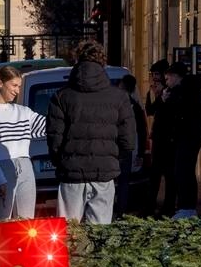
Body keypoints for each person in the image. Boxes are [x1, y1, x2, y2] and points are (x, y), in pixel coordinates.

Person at [45, 40, 136, 225]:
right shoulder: (119, 97)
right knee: (100, 232)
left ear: (77, 60)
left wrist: (61, 161)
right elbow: (128, 141)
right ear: (102, 63)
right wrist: (113, 159)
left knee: (68, 232)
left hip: (72, 173)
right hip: (104, 174)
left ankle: (74, 255)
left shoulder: (62, 96)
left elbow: (54, 137)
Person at [0, 65, 47, 219]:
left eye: (19, 86)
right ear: (0, 83)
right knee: (1, 223)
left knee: (27, 223)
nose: (17, 91)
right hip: (1, 169)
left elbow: (49, 126)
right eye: (14, 85)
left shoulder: (23, 112)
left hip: (26, 168)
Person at [160, 61, 201, 219]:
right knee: (185, 171)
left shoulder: (183, 92)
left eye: (167, 79)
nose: (166, 82)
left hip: (186, 136)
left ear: (175, 77)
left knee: (183, 171)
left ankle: (186, 207)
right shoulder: (192, 90)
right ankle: (186, 206)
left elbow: (177, 114)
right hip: (191, 136)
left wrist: (166, 101)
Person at [115, 74, 149, 217]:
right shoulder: (135, 106)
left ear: (121, 86)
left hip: (111, 148)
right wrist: (141, 152)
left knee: (109, 182)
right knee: (124, 182)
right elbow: (142, 132)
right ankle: (121, 211)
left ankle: (110, 210)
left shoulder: (112, 104)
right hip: (128, 149)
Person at [143, 61, 172, 215]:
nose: (154, 78)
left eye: (156, 74)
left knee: (168, 173)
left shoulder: (170, 90)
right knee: (154, 174)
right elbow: (150, 110)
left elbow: (167, 110)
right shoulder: (154, 90)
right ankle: (150, 206)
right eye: (152, 74)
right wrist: (152, 95)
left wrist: (161, 97)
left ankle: (168, 206)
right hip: (158, 136)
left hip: (168, 138)